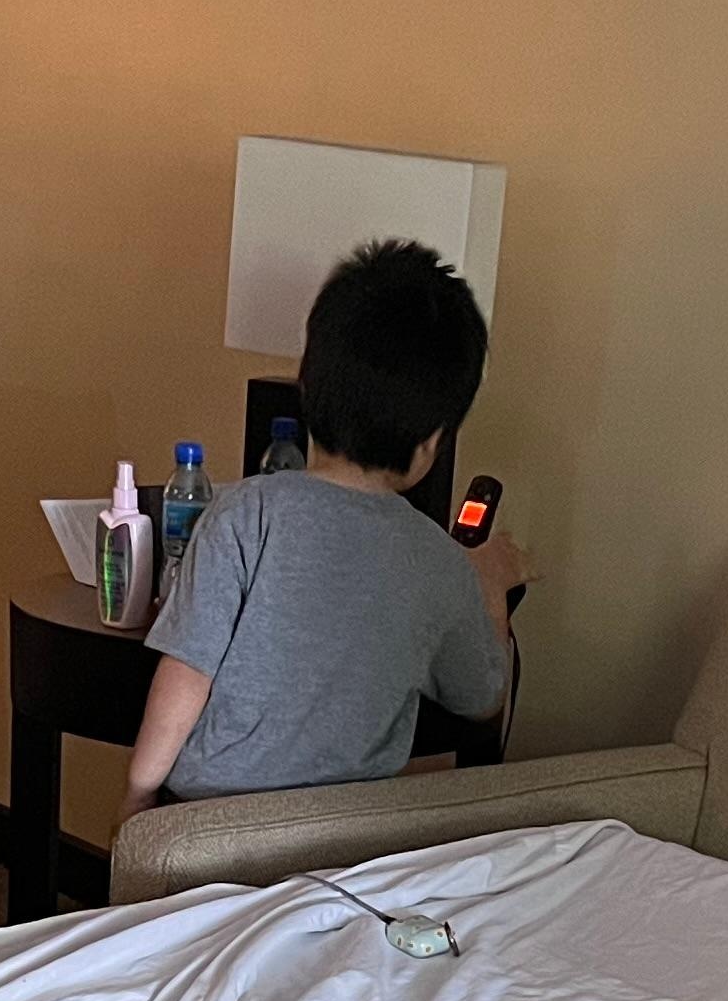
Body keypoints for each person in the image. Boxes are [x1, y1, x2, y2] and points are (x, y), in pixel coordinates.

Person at [121, 239, 535, 819]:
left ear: (308, 387)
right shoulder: (438, 559)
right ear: (431, 443)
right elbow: (482, 696)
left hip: (213, 821)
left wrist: (138, 794)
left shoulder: (244, 514)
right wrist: (490, 589)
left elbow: (186, 674)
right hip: (346, 831)